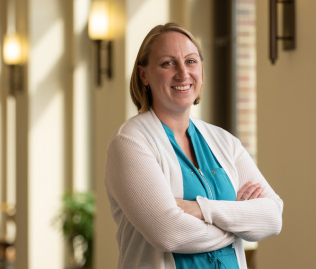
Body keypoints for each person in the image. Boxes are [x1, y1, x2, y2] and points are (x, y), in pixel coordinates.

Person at [104, 22, 283, 269]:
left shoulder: (224, 141)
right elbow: (169, 233)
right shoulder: (130, 142)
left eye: (191, 61)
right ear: (144, 74)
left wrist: (201, 209)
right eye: (168, 63)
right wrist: (238, 223)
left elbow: (272, 216)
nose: (182, 73)